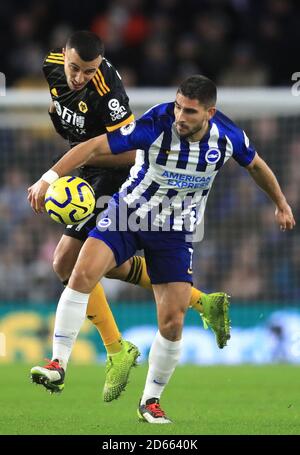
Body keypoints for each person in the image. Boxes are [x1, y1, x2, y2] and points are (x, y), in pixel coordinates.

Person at [29, 74, 294, 424]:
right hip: (128, 214)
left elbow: (257, 166)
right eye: (179, 107)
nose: (180, 116)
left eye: (190, 112)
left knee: (172, 322)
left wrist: (281, 203)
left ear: (209, 113)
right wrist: (49, 177)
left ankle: (150, 402)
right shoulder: (156, 122)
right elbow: (93, 147)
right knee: (81, 271)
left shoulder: (228, 137)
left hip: (175, 231)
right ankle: (58, 363)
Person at [34, 31, 230, 401]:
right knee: (78, 264)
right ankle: (202, 301)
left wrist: (75, 161)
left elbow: (130, 152)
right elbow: (62, 110)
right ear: (63, 56)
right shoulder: (51, 68)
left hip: (114, 176)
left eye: (89, 72)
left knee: (67, 263)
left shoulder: (110, 90)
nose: (80, 78)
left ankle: (115, 349)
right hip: (86, 168)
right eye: (75, 68)